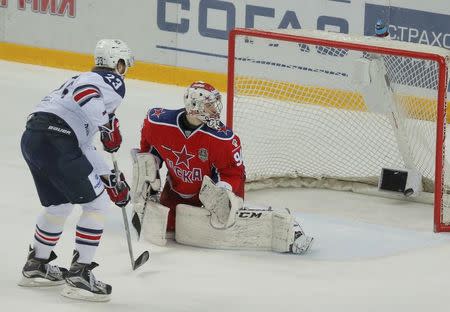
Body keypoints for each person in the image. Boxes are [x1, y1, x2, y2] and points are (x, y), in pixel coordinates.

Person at [131, 81, 313, 254]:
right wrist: (148, 177)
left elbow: (233, 173)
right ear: (194, 106)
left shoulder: (223, 138)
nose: (215, 110)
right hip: (177, 190)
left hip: (212, 191)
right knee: (171, 228)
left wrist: (222, 194)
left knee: (223, 218)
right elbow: (150, 150)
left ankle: (283, 223)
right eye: (209, 105)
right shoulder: (158, 122)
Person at [19, 39, 133, 302]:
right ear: (118, 63)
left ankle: (37, 265)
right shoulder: (109, 81)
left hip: (34, 138)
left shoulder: (75, 83)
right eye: (123, 64)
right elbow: (87, 92)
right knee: (97, 206)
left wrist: (108, 177)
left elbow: (84, 146)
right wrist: (107, 125)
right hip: (57, 139)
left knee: (59, 205)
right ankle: (81, 276)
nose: (124, 70)